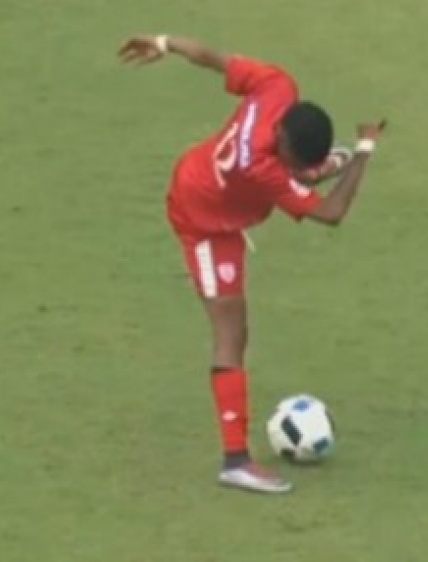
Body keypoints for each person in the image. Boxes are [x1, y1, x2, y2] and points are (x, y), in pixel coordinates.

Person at [118, 33, 386, 494]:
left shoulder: (276, 86)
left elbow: (215, 58)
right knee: (230, 331)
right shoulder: (261, 168)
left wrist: (166, 42)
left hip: (204, 175)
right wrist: (362, 153)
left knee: (238, 331)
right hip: (201, 220)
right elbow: (330, 212)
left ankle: (236, 457)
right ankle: (235, 461)